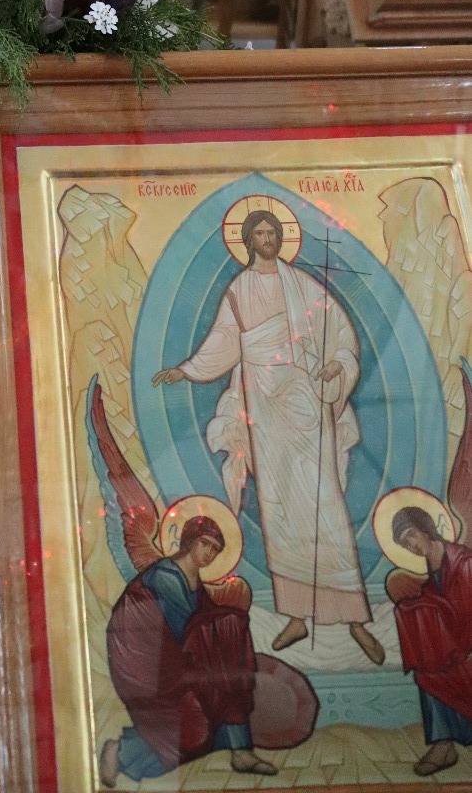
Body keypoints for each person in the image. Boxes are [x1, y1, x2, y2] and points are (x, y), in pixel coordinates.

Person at [153, 209, 384, 664]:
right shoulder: (238, 290)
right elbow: (224, 341)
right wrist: (187, 370)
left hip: (303, 399)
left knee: (324, 502)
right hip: (263, 403)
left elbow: (340, 334)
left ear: (280, 237)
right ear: (247, 240)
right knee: (278, 508)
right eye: (258, 232)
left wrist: (336, 363)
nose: (267, 238)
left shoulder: (302, 285)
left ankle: (356, 618)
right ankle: (297, 616)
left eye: (272, 232)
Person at [101, 515, 275, 784]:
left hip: (176, 659)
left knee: (219, 690)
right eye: (205, 544)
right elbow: (190, 630)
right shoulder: (165, 577)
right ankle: (122, 752)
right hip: (147, 668)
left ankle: (240, 750)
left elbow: (201, 630)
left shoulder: (193, 581)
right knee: (195, 730)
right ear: (189, 542)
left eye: (215, 549)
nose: (209, 553)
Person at [389, 505, 472, 776]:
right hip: (457, 646)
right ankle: (443, 745)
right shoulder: (434, 563)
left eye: (411, 535)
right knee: (427, 670)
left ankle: (444, 744)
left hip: (468, 647)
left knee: (438, 672)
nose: (411, 545)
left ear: (426, 528)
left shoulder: (463, 562)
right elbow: (438, 602)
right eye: (404, 543)